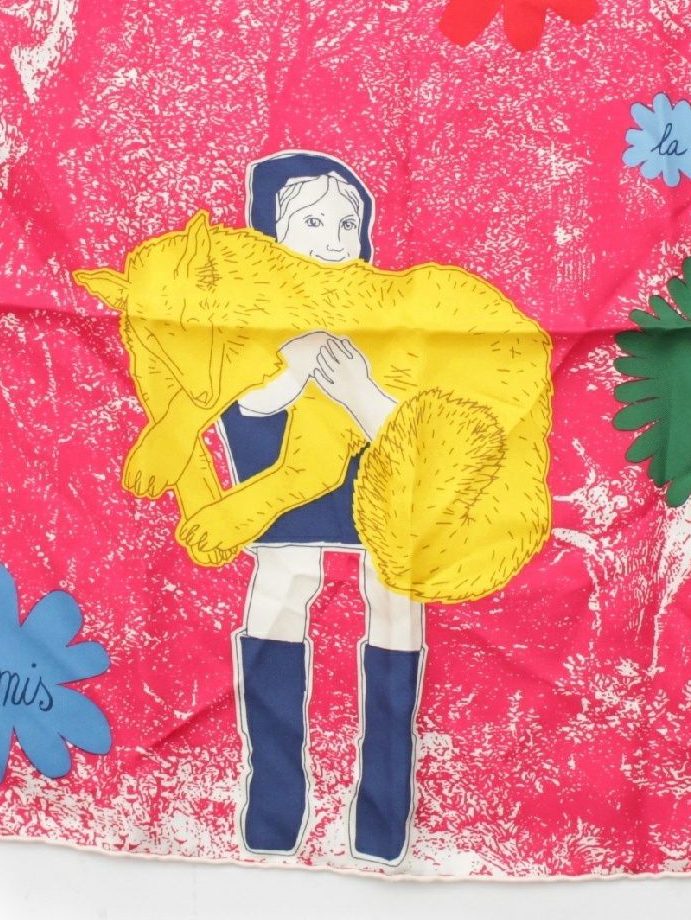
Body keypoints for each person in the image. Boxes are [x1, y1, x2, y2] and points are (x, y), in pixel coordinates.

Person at [214, 150, 426, 865]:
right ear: (268, 235)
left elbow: (410, 421)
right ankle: (274, 803)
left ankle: (387, 814)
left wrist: (361, 392)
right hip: (286, 489)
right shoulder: (250, 314)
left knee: (396, 596)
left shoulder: (384, 316)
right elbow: (244, 398)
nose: (335, 240)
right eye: (312, 222)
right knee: (283, 584)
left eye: (347, 224)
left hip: (380, 492)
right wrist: (297, 365)